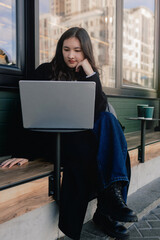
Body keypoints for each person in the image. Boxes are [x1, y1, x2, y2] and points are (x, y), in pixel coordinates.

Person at [0, 27, 138, 240]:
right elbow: (26, 110)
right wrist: (22, 151)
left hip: (83, 140)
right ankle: (109, 210)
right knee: (116, 147)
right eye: (66, 49)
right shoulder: (45, 71)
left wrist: (91, 74)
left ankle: (110, 206)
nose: (71, 55)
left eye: (77, 50)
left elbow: (100, 110)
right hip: (56, 140)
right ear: (60, 49)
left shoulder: (88, 75)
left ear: (86, 53)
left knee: (109, 124)